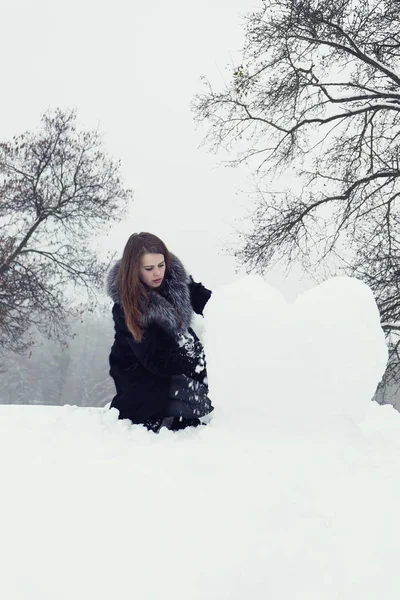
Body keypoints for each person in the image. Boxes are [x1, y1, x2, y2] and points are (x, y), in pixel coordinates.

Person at [106, 232, 213, 432]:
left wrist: (232, 310)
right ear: (135, 269)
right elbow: (156, 361)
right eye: (149, 268)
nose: (158, 273)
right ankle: (166, 414)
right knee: (203, 402)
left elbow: (205, 299)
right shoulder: (126, 307)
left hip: (176, 366)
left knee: (214, 392)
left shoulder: (175, 280)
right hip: (143, 380)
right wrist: (198, 358)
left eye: (161, 265)